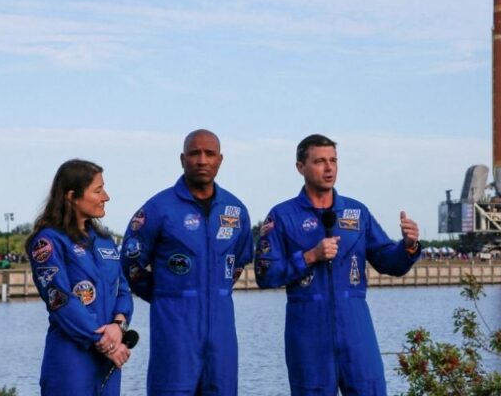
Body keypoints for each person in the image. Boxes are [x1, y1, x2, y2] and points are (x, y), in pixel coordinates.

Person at [255, 133, 422, 396]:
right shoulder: (282, 216)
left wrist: (409, 246)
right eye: (320, 161)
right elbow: (265, 275)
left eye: (333, 160)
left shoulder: (357, 213)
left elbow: (390, 262)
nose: (329, 167)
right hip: (308, 332)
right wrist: (309, 257)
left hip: (356, 327)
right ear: (300, 167)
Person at [121, 129, 254, 395]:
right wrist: (165, 295)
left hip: (221, 332)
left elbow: (238, 263)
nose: (202, 160)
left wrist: (213, 291)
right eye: (194, 153)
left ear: (220, 160)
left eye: (209, 154)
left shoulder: (235, 210)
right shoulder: (158, 208)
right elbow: (129, 265)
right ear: (182, 159)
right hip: (175, 330)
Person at [26, 159, 133, 395]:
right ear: (72, 196)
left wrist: (118, 326)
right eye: (98, 190)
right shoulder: (49, 242)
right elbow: (60, 298)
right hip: (71, 358)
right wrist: (103, 341)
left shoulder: (105, 241)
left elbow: (122, 290)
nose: (106, 197)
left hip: (108, 358)